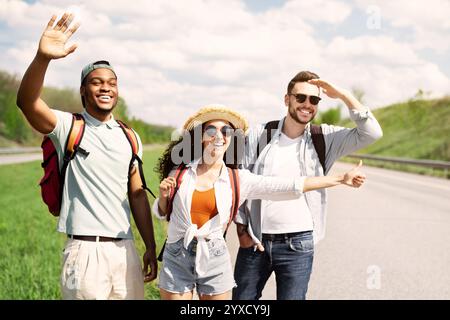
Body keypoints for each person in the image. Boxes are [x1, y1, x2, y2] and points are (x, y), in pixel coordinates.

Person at [152, 105, 367, 300]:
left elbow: (290, 185)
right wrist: (163, 198)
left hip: (214, 255)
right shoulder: (180, 172)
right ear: (200, 137)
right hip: (177, 253)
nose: (219, 136)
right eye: (211, 130)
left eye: (226, 131)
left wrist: (339, 179)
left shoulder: (238, 178)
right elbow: (162, 213)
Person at [16, 13, 157, 299]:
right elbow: (27, 102)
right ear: (83, 90)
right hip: (84, 252)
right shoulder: (69, 126)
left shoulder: (130, 137)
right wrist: (43, 58)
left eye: (111, 83)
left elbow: (138, 195)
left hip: (125, 250)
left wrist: (150, 246)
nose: (105, 87)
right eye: (96, 82)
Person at [232, 71, 383, 300]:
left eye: (314, 100)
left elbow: (372, 133)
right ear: (287, 99)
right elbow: (238, 180)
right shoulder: (259, 134)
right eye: (300, 97)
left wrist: (343, 95)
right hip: (255, 243)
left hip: (298, 245)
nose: (307, 104)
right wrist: (242, 230)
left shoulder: (324, 137)